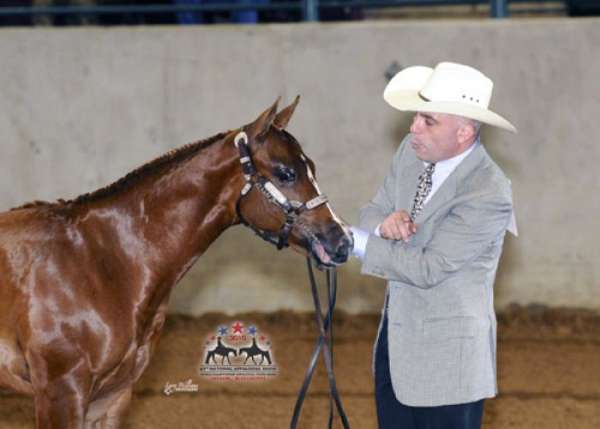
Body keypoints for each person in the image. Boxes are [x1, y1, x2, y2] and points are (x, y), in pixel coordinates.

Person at [350, 61, 518, 429]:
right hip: (395, 351)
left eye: (429, 121)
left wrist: (358, 243)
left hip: (449, 367)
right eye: (415, 117)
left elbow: (429, 267)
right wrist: (382, 224)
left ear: (464, 132)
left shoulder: (488, 190)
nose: (414, 129)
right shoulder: (409, 154)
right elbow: (371, 210)